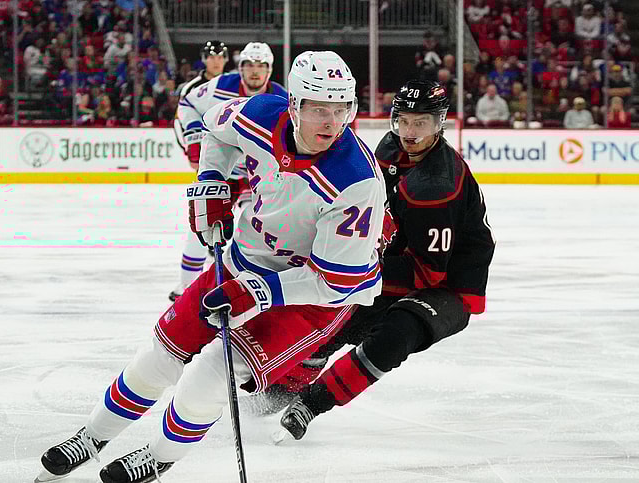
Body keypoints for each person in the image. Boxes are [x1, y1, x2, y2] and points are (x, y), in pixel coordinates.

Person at [35, 50, 386, 483]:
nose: (331, 123)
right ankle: (91, 436)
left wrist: (261, 292)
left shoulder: (356, 180)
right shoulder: (260, 112)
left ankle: (158, 456)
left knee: (209, 375)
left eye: (341, 109)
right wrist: (212, 182)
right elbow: (215, 130)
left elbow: (334, 283)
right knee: (159, 356)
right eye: (318, 109)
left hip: (310, 300)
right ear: (293, 105)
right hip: (243, 263)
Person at [274, 79, 496, 442]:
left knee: (396, 332)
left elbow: (427, 272)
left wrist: (356, 272)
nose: (409, 132)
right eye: (403, 121)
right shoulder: (390, 148)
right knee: (335, 314)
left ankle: (311, 404)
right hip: (403, 259)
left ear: (439, 125)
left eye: (421, 123)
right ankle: (280, 389)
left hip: (449, 284)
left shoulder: (435, 186)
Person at [169, 41, 288, 301]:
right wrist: (192, 138)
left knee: (256, 227)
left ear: (269, 70)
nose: (255, 72)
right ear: (240, 68)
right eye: (249, 65)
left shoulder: (280, 96)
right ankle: (186, 289)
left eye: (261, 66)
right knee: (202, 225)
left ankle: (244, 285)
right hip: (222, 171)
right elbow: (187, 104)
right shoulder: (221, 86)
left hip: (258, 177)